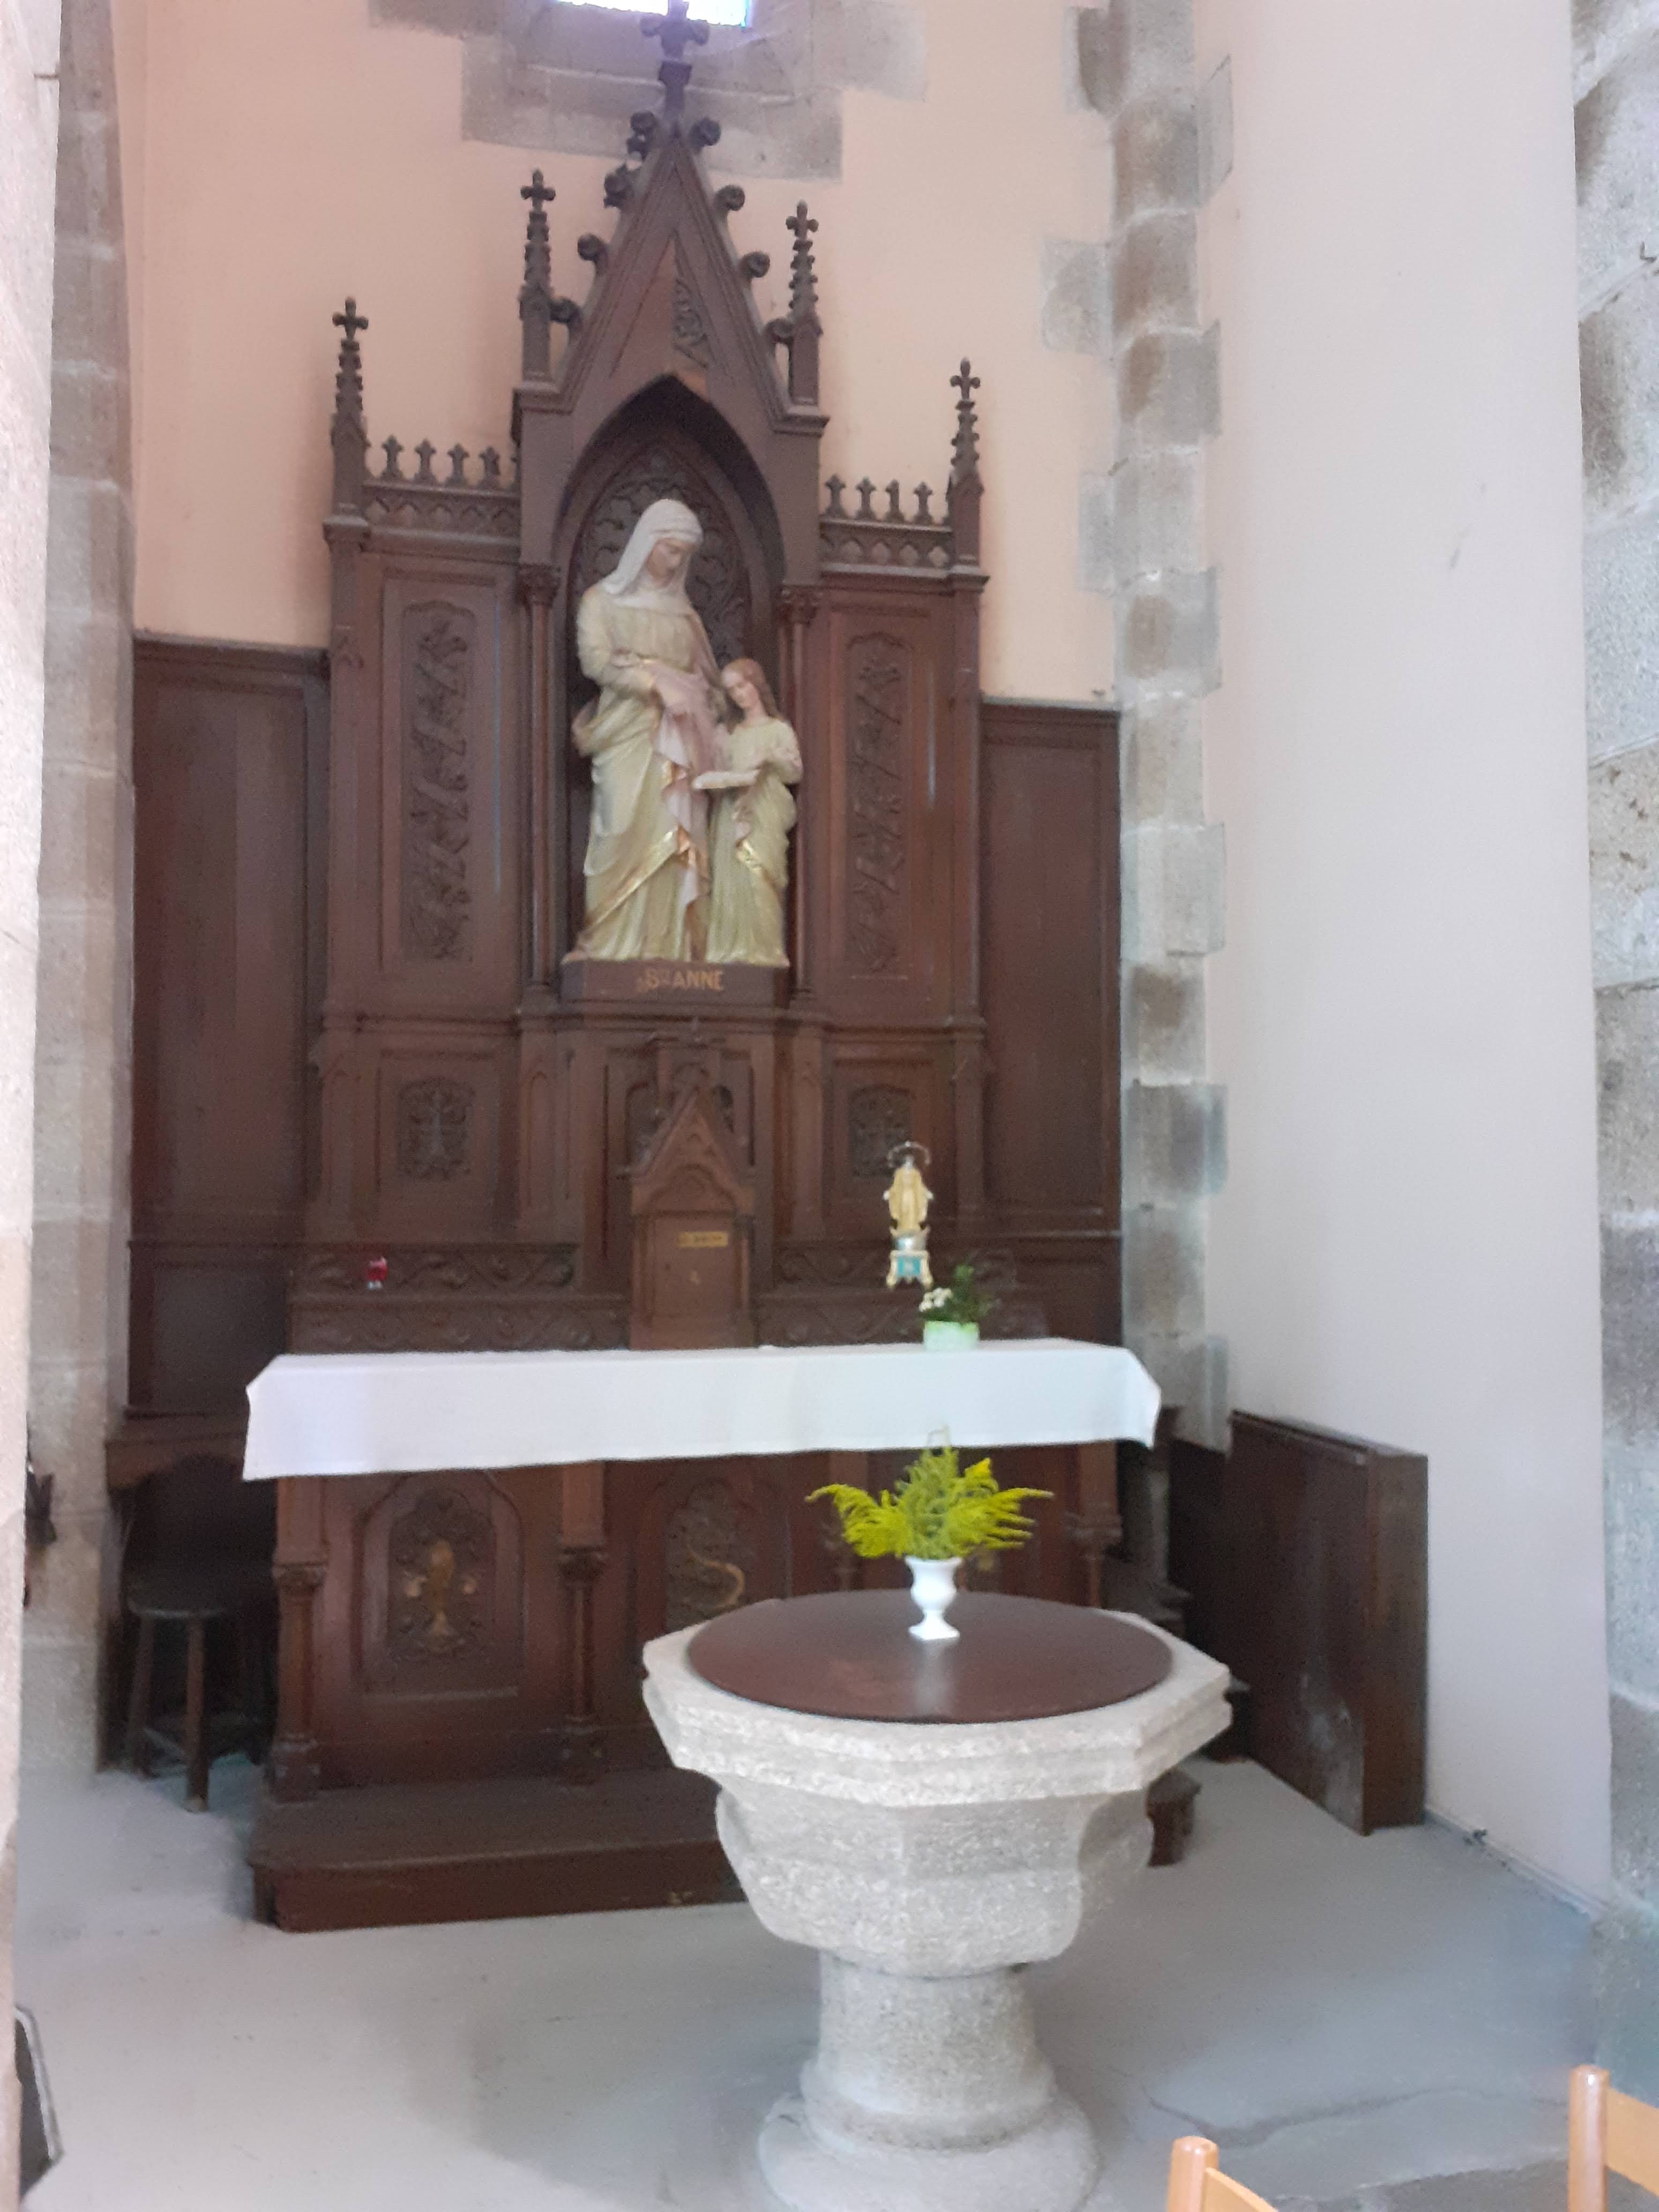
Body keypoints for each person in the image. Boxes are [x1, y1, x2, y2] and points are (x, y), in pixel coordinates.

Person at [570, 498, 726, 961]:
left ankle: (673, 950)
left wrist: (705, 704)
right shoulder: (601, 602)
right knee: (619, 830)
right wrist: (656, 685)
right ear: (647, 543)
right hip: (626, 734)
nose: (676, 563)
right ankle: (608, 946)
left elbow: (710, 681)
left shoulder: (685, 615)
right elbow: (595, 661)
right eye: (670, 550)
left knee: (678, 839)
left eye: (684, 555)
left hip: (683, 741)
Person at [697, 658, 802, 968]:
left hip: (763, 812)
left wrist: (770, 757)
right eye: (733, 691)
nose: (740, 695)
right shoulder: (728, 733)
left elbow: (794, 772)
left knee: (761, 879)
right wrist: (718, 781)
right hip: (731, 813)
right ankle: (729, 949)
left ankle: (765, 951)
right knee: (731, 882)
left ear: (756, 683)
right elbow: (717, 772)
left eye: (743, 686)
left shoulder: (779, 730)